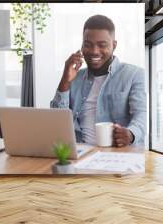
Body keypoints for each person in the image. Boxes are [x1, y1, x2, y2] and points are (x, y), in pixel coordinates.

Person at [50, 15, 146, 147]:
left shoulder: (134, 74)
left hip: (117, 156)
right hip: (79, 153)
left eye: (102, 45)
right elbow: (57, 120)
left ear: (114, 45)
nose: (94, 51)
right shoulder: (74, 77)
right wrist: (65, 81)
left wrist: (130, 134)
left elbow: (141, 115)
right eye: (88, 45)